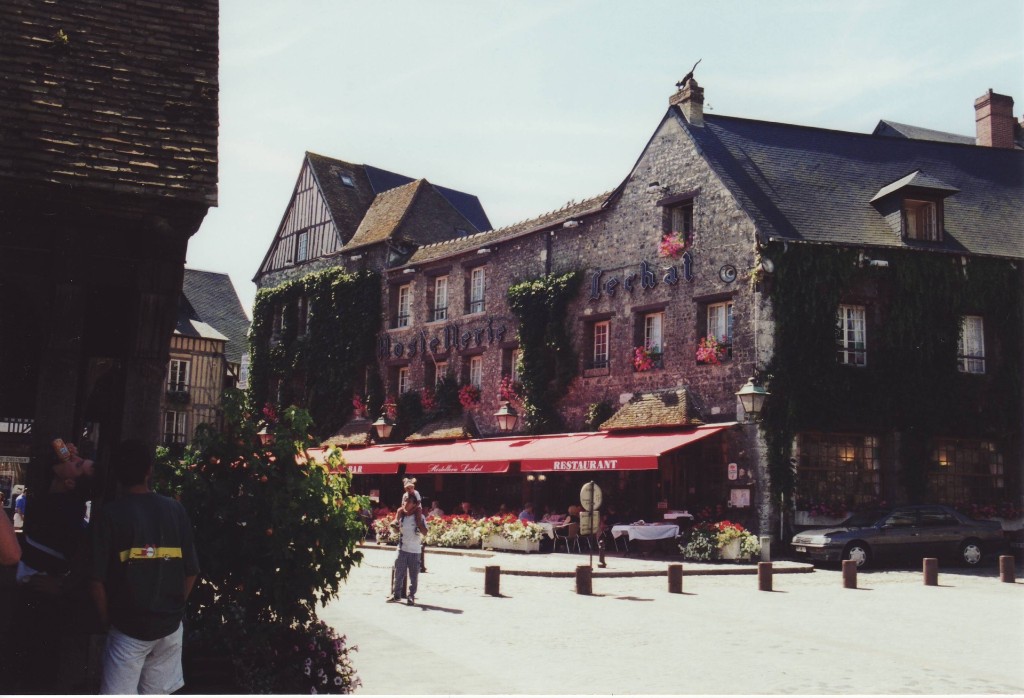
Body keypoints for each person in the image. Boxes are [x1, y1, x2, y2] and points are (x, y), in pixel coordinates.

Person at [89, 438, 200, 694]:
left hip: (128, 628)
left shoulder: (110, 515)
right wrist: (173, 608)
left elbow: (95, 580)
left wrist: (108, 619)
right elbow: (192, 570)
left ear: (116, 475)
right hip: (169, 629)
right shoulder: (176, 509)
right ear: (149, 469)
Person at [12, 440, 98, 693]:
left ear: (70, 483)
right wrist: (65, 453)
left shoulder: (70, 514)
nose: (73, 459)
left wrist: (63, 584)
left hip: (43, 603)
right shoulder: (56, 495)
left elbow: (87, 561)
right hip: (33, 596)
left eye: (78, 464)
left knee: (36, 674)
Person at [387, 496, 427, 606]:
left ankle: (411, 596)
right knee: (398, 573)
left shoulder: (420, 516)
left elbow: (425, 532)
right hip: (402, 548)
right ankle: (396, 595)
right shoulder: (402, 516)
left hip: (415, 551)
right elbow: (395, 531)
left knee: (414, 576)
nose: (406, 503)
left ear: (414, 504)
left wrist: (419, 523)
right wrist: (395, 527)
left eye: (409, 501)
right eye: (405, 500)